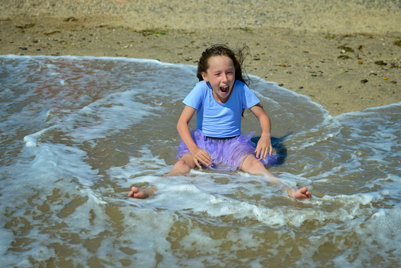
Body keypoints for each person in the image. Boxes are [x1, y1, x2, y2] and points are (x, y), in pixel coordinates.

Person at [129, 45, 311, 199]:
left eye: (229, 73)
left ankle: (289, 191)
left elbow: (262, 116)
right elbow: (181, 123)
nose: (225, 79)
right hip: (202, 143)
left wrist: (265, 136)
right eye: (218, 74)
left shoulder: (240, 89)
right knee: (182, 165)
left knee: (254, 165)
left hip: (234, 145)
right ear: (206, 76)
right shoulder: (201, 89)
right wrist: (194, 150)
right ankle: (149, 191)